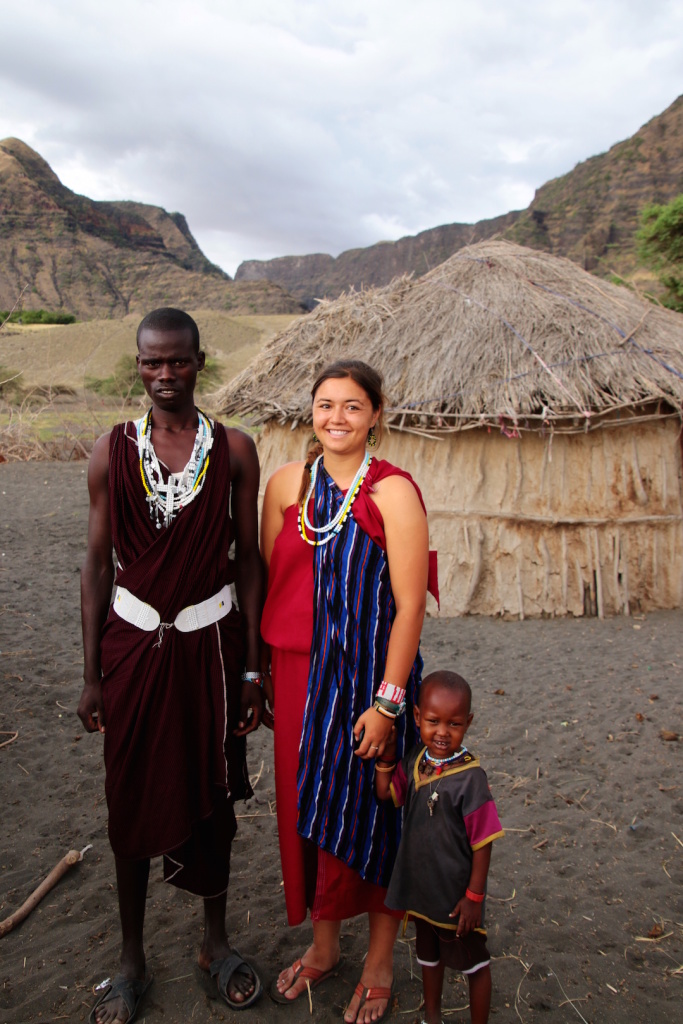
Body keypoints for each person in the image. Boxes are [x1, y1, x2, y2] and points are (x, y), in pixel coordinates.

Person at [77, 308, 264, 1023]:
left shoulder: (235, 450)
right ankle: (131, 960)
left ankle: (214, 944)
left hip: (211, 651)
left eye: (177, 362)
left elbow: (247, 561)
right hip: (131, 651)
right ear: (138, 366)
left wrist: (252, 669)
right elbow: (96, 565)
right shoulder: (110, 450)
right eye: (152, 363)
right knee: (127, 794)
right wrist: (92, 671)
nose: (164, 375)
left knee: (214, 793)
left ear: (199, 361)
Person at [260, 360, 435, 1024]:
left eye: (352, 406)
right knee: (307, 813)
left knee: (377, 815)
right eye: (325, 404)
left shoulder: (393, 493)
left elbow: (410, 605)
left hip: (371, 682)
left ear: (376, 415)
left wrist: (388, 704)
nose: (336, 417)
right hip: (300, 681)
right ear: (311, 411)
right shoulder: (284, 487)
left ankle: (379, 961)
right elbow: (269, 577)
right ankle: (325, 946)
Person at [376, 671, 504, 1024]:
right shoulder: (417, 760)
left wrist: (474, 897)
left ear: (468, 723)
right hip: (421, 891)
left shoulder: (471, 778)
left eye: (454, 723)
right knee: (428, 957)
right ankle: (432, 1016)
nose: (443, 732)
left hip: (455, 898)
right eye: (433, 721)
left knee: (474, 964)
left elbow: (484, 842)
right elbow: (387, 794)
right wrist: (387, 756)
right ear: (417, 717)